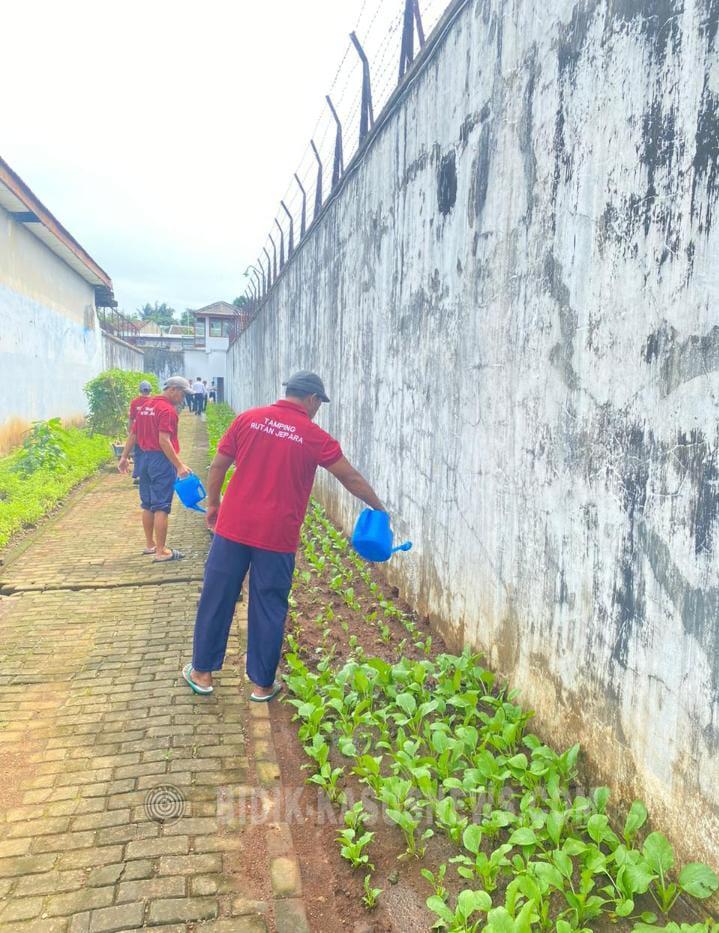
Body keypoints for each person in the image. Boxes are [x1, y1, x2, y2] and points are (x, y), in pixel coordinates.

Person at [182, 371, 385, 700]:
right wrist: (379, 507)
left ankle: (202, 673)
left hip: (233, 528)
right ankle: (263, 684)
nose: (318, 409)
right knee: (269, 605)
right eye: (319, 403)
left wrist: (214, 504)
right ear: (312, 399)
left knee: (217, 596)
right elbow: (350, 478)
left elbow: (218, 465)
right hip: (277, 536)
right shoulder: (314, 436)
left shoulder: (248, 419)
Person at [118, 376, 193, 562]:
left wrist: (124, 457)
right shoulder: (167, 410)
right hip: (160, 460)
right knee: (161, 506)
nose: (183, 398)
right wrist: (179, 466)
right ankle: (161, 551)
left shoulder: (146, 406)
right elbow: (164, 441)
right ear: (173, 389)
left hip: (143, 459)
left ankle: (150, 544)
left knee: (147, 504)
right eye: (183, 394)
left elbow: (133, 434)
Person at [129, 380, 153, 486]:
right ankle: (149, 475)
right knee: (151, 454)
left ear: (140, 390)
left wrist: (130, 432)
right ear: (150, 390)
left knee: (138, 454)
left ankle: (138, 476)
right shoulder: (154, 401)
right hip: (151, 433)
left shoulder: (134, 402)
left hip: (138, 433)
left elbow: (131, 418)